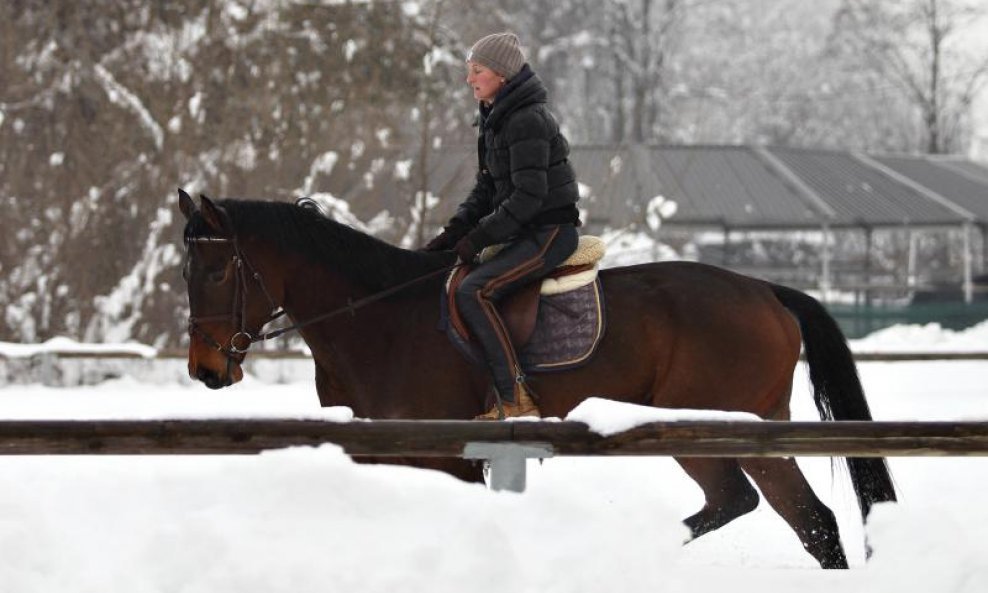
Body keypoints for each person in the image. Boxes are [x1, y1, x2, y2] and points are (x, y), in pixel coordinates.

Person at [422, 32, 581, 420]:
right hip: (523, 230)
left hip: (549, 233)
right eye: (469, 71)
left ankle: (514, 398)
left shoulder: (525, 119)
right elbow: (487, 189)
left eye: (477, 71)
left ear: (503, 76)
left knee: (474, 291)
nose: (469, 79)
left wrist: (476, 240)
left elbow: (528, 198)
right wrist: (452, 235)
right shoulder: (495, 117)